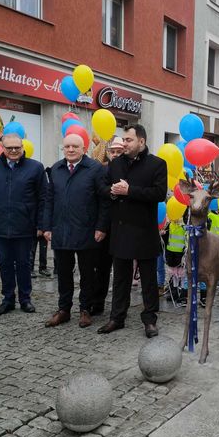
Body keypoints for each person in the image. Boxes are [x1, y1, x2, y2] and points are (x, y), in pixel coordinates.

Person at [97, 125, 167, 338]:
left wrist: (130, 191)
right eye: (123, 140)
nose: (124, 144)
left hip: (144, 230)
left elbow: (159, 194)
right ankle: (117, 318)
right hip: (120, 230)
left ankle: (150, 320)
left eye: (128, 140)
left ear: (141, 142)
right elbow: (103, 188)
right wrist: (113, 191)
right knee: (120, 278)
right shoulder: (116, 163)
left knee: (148, 280)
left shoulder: (157, 164)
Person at [43, 133, 110, 329]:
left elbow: (104, 202)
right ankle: (63, 309)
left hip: (87, 231)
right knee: (63, 272)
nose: (71, 150)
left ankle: (85, 309)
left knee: (88, 273)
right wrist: (47, 226)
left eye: (75, 146)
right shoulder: (56, 169)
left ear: (84, 149)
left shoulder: (95, 169)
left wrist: (101, 227)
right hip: (61, 230)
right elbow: (49, 200)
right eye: (67, 146)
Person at [0, 133, 46, 315]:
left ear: (22, 147)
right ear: (2, 148)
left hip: (25, 227)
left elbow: (43, 198)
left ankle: (25, 299)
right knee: (5, 265)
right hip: (0, 226)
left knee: (24, 264)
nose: (14, 151)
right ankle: (7, 299)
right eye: (9, 148)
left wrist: (42, 224)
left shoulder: (36, 168)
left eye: (17, 147)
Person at [90, 135, 124, 316]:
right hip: (104, 227)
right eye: (113, 151)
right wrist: (113, 192)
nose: (116, 154)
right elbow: (100, 193)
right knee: (101, 268)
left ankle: (119, 308)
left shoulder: (130, 170)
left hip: (124, 228)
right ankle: (97, 302)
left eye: (120, 151)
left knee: (121, 271)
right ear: (109, 153)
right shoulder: (102, 171)